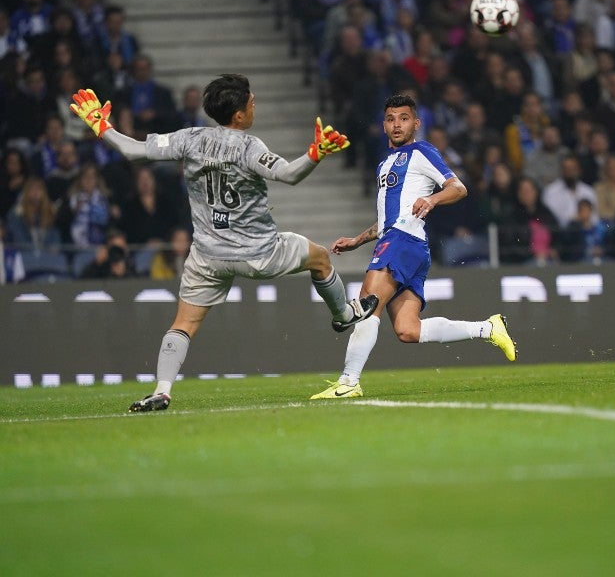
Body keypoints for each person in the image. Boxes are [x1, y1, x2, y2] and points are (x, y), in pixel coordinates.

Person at [68, 74, 377, 412]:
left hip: (208, 255)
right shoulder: (249, 147)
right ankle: (344, 314)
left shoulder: (190, 138)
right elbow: (288, 174)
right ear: (240, 116)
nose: (254, 105)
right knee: (319, 257)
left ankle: (162, 389)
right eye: (252, 102)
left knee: (183, 324)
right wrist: (315, 154)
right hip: (259, 252)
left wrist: (102, 127)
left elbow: (133, 151)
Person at [310, 93, 517, 400]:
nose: (397, 125)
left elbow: (458, 187)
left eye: (404, 118)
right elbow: (387, 219)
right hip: (405, 243)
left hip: (404, 241)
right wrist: (357, 240)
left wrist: (432, 199)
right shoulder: (385, 163)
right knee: (408, 330)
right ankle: (489, 328)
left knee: (367, 305)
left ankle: (349, 381)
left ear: (416, 123)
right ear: (383, 125)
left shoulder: (421, 151)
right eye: (391, 119)